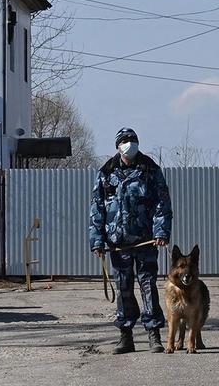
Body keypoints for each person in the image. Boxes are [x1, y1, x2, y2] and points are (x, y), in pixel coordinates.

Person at [88, 128, 172, 354]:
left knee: (148, 286)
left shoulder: (150, 170)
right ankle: (126, 337)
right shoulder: (107, 172)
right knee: (123, 288)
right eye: (125, 141)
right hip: (118, 243)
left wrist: (161, 232)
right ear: (118, 146)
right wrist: (96, 240)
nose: (129, 144)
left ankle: (153, 334)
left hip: (145, 241)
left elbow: (162, 204)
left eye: (133, 140)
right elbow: (97, 208)